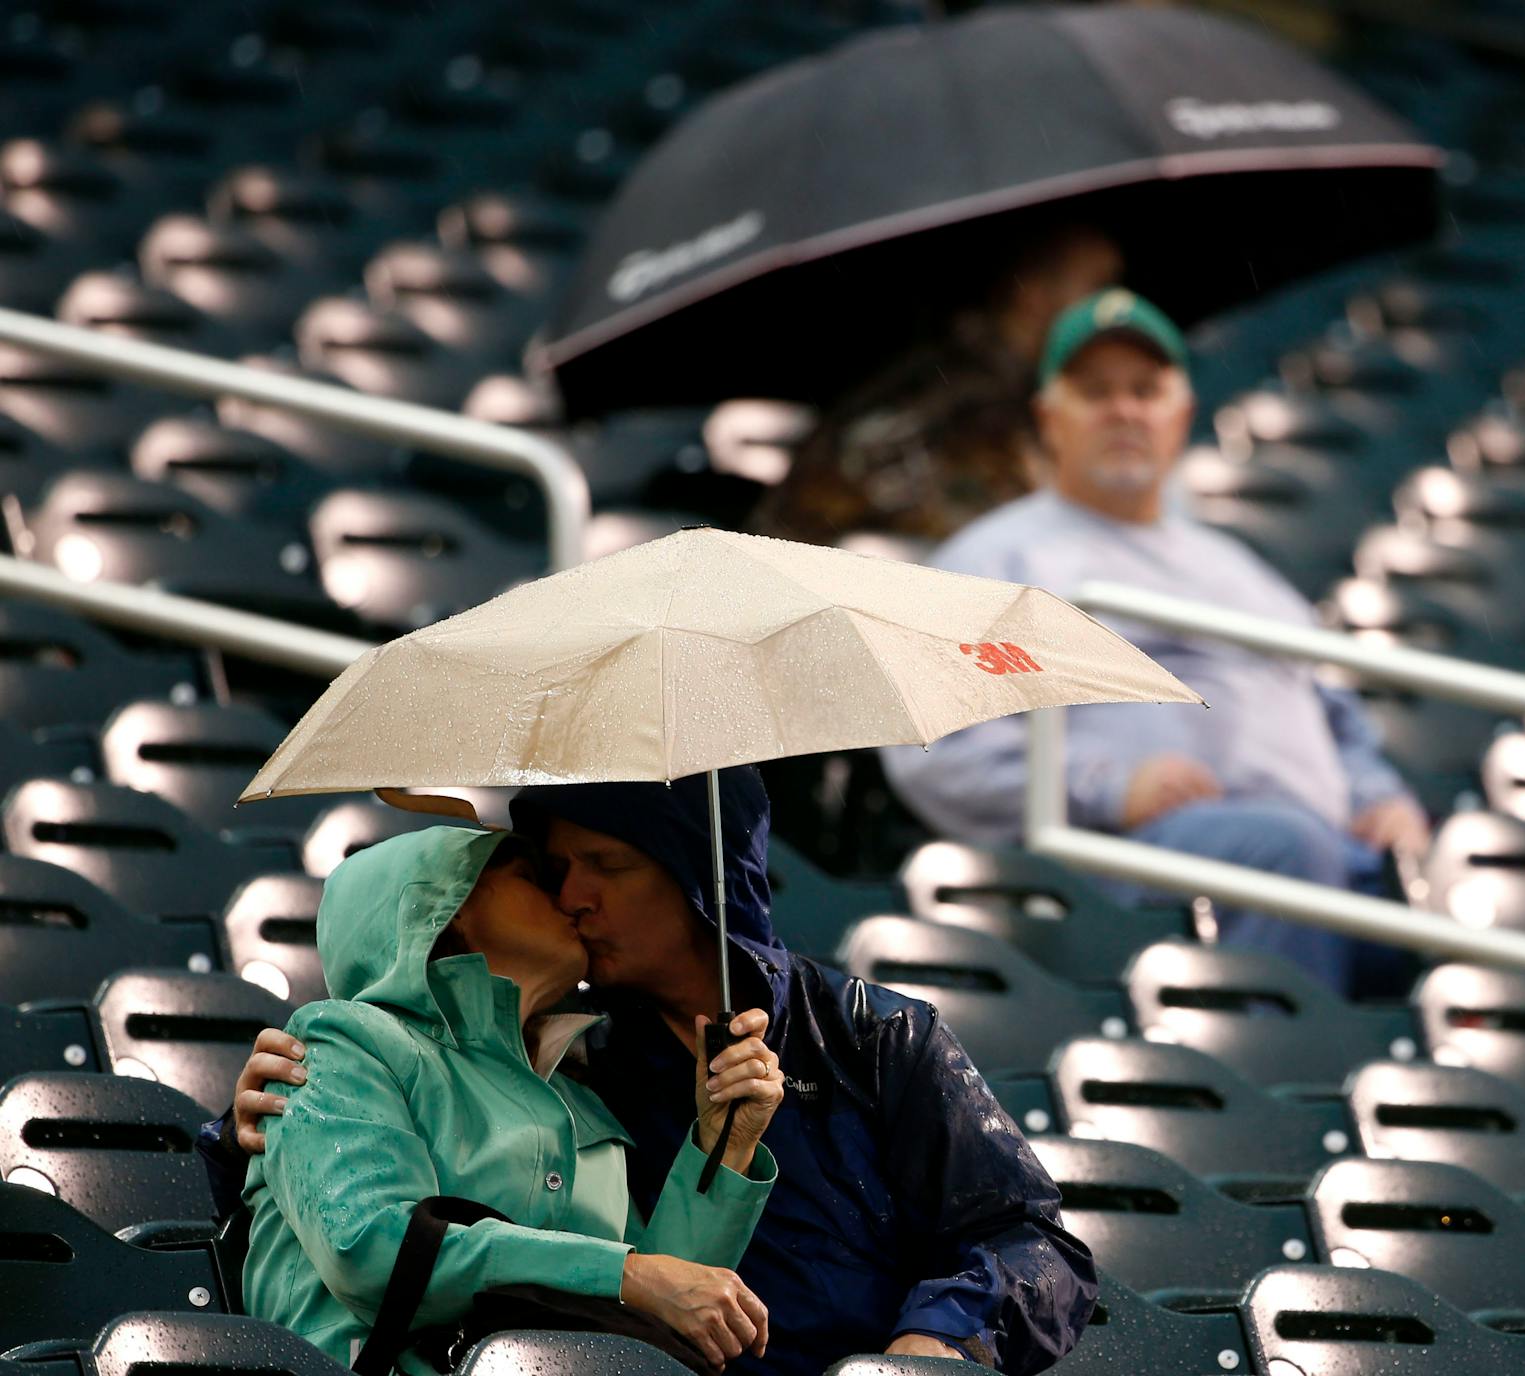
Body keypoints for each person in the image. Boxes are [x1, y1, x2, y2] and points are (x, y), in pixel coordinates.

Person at [202, 769, 1097, 1375]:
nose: (573, 896)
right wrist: (236, 1128)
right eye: (554, 869)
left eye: (610, 865)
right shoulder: (576, 1055)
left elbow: (1034, 1243)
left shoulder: (873, 1036)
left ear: (698, 876)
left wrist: (927, 1348)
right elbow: (639, 1283)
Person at [880, 289, 1431, 1000]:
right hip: (1114, 865)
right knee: (1282, 850)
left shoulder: (1246, 572)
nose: (1125, 410)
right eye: (1096, 391)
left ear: (1182, 417)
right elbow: (935, 745)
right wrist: (1108, 785)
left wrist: (1381, 798)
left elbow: (1341, 722)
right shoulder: (996, 561)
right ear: (1049, 419)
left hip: (1326, 854)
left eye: (1146, 390)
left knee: (1471, 890)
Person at [243, 827, 782, 1373]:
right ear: (443, 907)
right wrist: (627, 1276)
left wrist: (726, 1143)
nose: (567, 900)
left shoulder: (577, 1096)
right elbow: (370, 1250)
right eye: (532, 879)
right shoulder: (343, 1041)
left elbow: (660, 1322)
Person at [757, 223, 1125, 545]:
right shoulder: (969, 398)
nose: (1113, 308)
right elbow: (991, 540)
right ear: (1032, 294)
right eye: (1098, 286)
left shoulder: (976, 373)